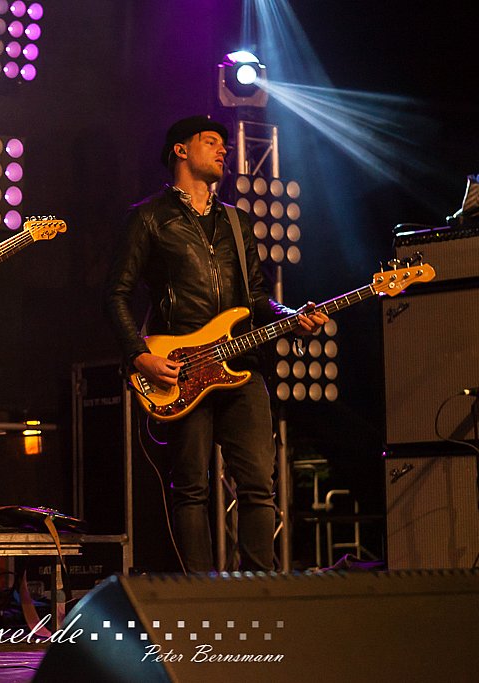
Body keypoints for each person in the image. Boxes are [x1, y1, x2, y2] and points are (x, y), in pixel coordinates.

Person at [105, 115, 328, 573]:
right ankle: (201, 593)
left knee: (257, 484)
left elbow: (258, 298)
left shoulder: (236, 221)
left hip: (242, 363)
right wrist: (140, 356)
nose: (224, 149)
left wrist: (293, 318)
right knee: (191, 486)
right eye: (211, 142)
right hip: (180, 367)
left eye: (224, 144)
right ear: (180, 151)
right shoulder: (149, 217)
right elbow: (116, 294)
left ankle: (259, 587)